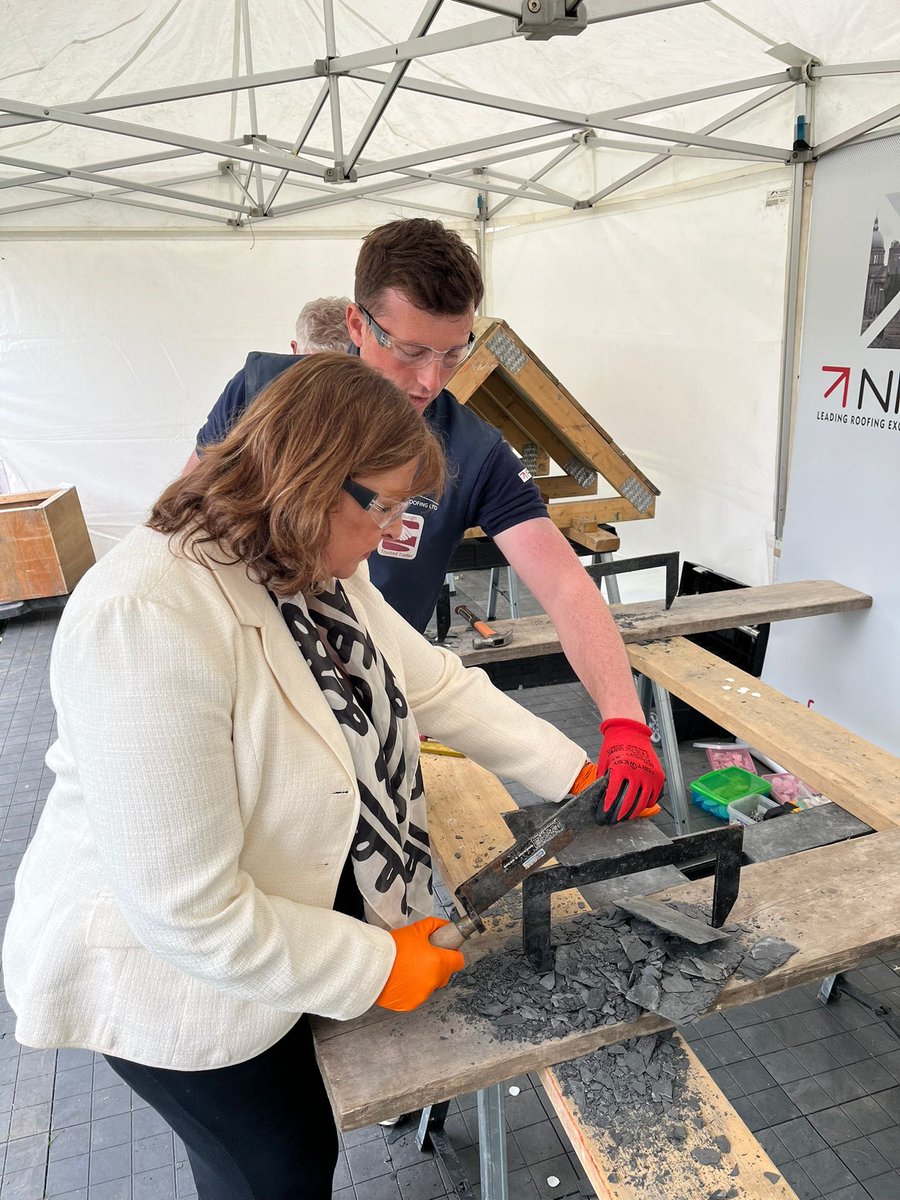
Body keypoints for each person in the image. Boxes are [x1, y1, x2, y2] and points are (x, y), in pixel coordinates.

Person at [2, 354, 655, 1200]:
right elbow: (188, 912)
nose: (391, 536)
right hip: (165, 974)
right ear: (305, 476)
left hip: (259, 917)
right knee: (279, 1166)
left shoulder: (309, 564)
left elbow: (435, 684)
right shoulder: (147, 616)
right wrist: (372, 966)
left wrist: (583, 777)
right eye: (380, 505)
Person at [186, 218, 664, 819]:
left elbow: (562, 587)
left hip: (372, 689)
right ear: (357, 324)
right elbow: (183, 532)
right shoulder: (268, 399)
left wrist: (624, 722)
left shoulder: (472, 449)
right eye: (410, 351)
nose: (430, 380)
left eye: (452, 353)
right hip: (238, 692)